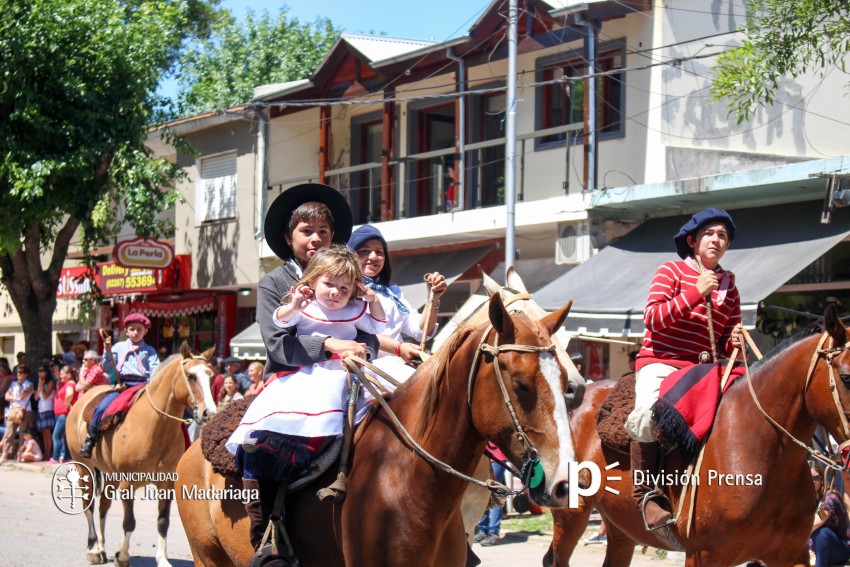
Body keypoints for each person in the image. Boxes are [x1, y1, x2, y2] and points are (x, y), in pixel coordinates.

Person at [227, 245, 386, 552]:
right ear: (312, 280)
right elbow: (281, 322)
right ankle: (280, 458)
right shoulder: (304, 304)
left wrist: (373, 300)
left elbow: (378, 327)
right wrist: (295, 304)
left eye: (344, 287)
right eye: (329, 284)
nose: (336, 293)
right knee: (297, 412)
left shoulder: (355, 309)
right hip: (311, 372)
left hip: (350, 371)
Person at [625, 208, 743, 530]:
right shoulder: (671, 271)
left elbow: (724, 343)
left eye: (723, 236)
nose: (717, 240)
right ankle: (647, 494)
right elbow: (652, 319)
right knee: (647, 416)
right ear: (692, 241)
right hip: (662, 362)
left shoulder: (730, 287)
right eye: (710, 234)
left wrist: (734, 340)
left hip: (704, 371)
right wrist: (695, 293)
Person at [347, 224, 447, 395]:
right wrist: (399, 348)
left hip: (400, 365)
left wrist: (433, 298)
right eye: (364, 250)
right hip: (370, 367)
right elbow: (358, 333)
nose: (374, 256)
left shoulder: (392, 292)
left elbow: (420, 331)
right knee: (426, 394)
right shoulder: (344, 291)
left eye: (379, 252)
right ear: (350, 256)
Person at [79, 313, 160, 458]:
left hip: (142, 386)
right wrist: (107, 350)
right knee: (102, 407)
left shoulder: (150, 351)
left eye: (139, 329)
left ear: (145, 331)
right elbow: (106, 366)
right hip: (122, 386)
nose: (135, 332)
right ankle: (90, 440)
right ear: (126, 331)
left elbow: (155, 371)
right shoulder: (118, 347)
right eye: (132, 329)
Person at [811, 463, 850, 567]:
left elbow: (815, 524)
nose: (812, 481)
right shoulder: (804, 501)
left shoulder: (830, 498)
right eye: (809, 478)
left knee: (821, 533)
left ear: (822, 479)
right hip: (815, 547)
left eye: (816, 478)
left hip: (839, 549)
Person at [474, 442, 507, 547]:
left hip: (496, 457)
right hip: (482, 457)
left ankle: (494, 533)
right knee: (481, 495)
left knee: (495, 495)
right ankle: (483, 531)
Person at [1, 365, 33, 462]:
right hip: (13, 410)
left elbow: (24, 395)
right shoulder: (13, 384)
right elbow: (7, 396)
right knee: (9, 433)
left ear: (26, 374)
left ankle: (20, 454)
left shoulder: (29, 384)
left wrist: (19, 388)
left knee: (22, 433)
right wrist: (15, 399)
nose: (19, 374)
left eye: (21, 372)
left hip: (24, 410)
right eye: (18, 372)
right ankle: (4, 454)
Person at [50, 365, 77, 463]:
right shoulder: (64, 383)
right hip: (61, 414)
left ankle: (55, 457)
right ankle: (66, 456)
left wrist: (67, 402)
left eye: (62, 374)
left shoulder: (70, 383)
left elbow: (70, 394)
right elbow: (58, 378)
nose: (60, 376)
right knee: (65, 437)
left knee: (56, 436)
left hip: (64, 414)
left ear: (69, 375)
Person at [34, 365, 55, 461]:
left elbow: (46, 396)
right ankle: (46, 451)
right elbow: (36, 398)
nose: (41, 373)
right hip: (40, 409)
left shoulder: (50, 383)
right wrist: (39, 386)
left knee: (48, 433)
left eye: (42, 371)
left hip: (48, 409)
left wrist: (42, 386)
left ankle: (48, 452)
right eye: (39, 371)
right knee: (43, 433)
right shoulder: (40, 383)